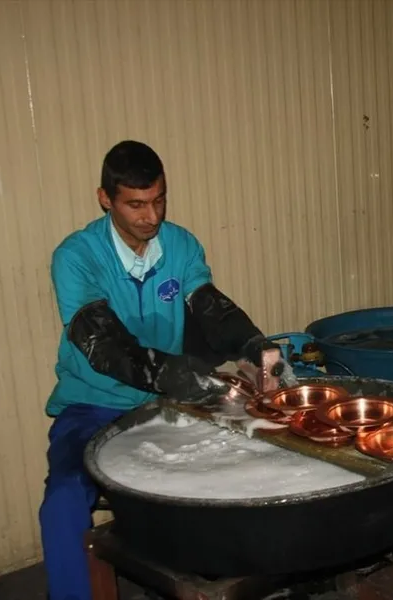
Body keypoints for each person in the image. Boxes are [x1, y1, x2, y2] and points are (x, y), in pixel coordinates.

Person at [39, 140, 286, 600]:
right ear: (104, 198)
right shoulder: (76, 256)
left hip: (163, 405)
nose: (151, 217)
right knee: (63, 500)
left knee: (238, 470)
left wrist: (252, 344)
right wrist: (182, 378)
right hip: (92, 405)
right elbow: (105, 346)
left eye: (158, 201)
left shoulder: (181, 244)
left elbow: (209, 307)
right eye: (135, 205)